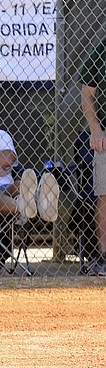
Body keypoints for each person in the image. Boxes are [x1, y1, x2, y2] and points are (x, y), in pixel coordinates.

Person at [80, 39, 106, 276]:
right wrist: (95, 128)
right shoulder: (101, 48)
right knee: (104, 195)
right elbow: (87, 93)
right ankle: (105, 256)